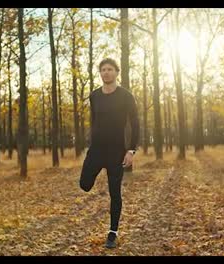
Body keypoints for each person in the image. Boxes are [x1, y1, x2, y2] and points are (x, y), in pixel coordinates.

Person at [79, 58, 139, 249]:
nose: (106, 72)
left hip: (116, 153)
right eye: (103, 69)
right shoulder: (94, 95)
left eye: (110, 69)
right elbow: (94, 120)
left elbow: (136, 124)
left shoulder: (126, 96)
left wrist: (131, 150)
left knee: (115, 193)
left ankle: (112, 232)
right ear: (100, 73)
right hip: (96, 151)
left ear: (117, 72)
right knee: (84, 185)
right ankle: (92, 175)